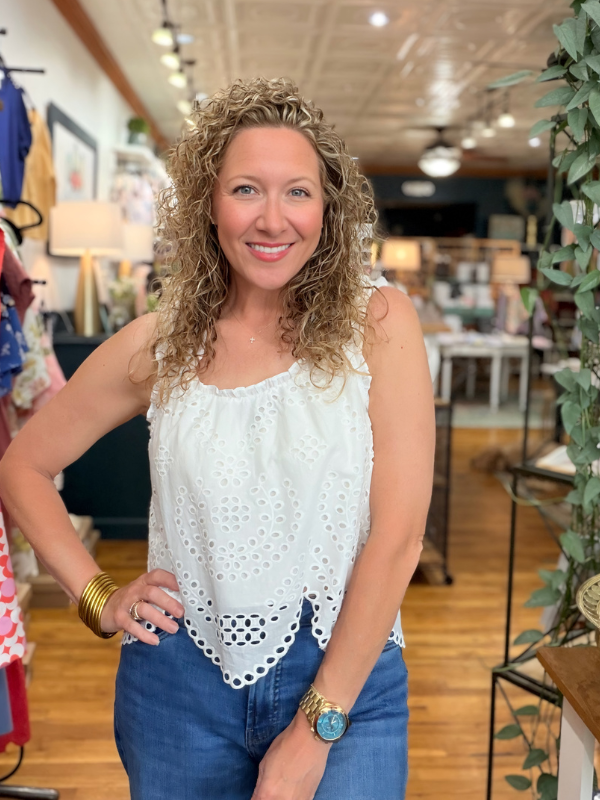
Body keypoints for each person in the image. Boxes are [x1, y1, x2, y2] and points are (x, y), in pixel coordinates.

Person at [0, 77, 435, 800]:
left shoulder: (379, 322)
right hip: (177, 691)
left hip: (346, 683)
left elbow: (399, 538)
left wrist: (315, 727)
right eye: (245, 190)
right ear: (209, 202)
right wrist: (98, 597)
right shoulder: (161, 344)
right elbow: (21, 466)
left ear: (328, 209)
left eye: (297, 191)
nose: (272, 220)